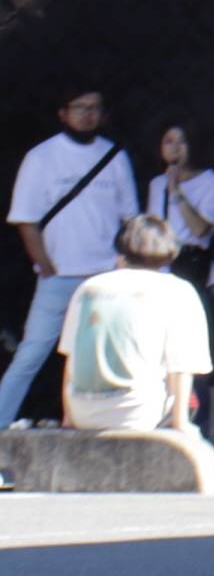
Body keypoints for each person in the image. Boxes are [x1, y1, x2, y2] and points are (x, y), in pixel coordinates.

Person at [3, 86, 136, 425]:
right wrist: (46, 264)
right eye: (80, 107)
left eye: (94, 107)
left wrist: (122, 264)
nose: (87, 114)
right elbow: (26, 219)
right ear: (63, 113)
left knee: (99, 357)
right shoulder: (41, 157)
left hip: (105, 275)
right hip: (58, 276)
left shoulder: (115, 157)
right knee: (31, 353)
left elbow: (130, 220)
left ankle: (90, 423)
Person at [61, 213, 214, 456]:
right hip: (137, 412)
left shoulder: (88, 289)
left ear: (122, 250)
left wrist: (69, 416)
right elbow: (182, 365)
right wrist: (180, 424)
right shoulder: (178, 290)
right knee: (193, 395)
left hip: (82, 411)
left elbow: (72, 359)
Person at [141, 119, 214, 332]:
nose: (175, 148)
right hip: (159, 268)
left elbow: (200, 229)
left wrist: (176, 191)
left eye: (182, 142)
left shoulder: (212, 182)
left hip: (191, 265)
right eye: (169, 142)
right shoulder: (156, 184)